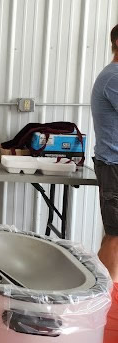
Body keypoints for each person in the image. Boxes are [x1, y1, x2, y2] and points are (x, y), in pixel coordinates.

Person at [91, 24, 118, 280]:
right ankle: (106, 299)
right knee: (115, 236)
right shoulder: (114, 77)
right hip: (114, 165)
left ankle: (102, 293)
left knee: (114, 234)